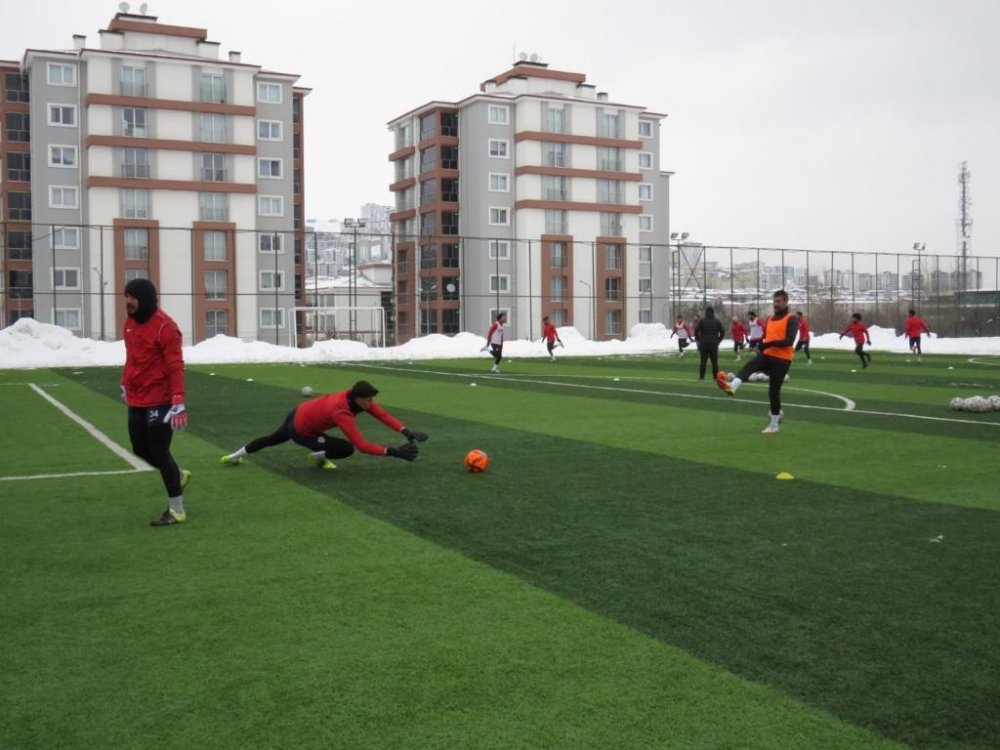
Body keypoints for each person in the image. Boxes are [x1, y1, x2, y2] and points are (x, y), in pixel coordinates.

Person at [221, 380, 426, 469]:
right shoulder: (342, 412)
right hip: (301, 431)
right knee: (346, 449)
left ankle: (233, 457)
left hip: (299, 412)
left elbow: (382, 415)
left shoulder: (354, 397)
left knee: (271, 439)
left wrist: (406, 431)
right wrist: (394, 452)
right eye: (368, 400)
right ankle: (319, 455)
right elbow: (362, 446)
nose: (371, 404)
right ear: (359, 399)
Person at [120, 278, 191, 527]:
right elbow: (132, 358)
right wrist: (124, 383)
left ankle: (177, 510)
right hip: (138, 397)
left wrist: (178, 399)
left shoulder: (166, 327)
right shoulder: (129, 324)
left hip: (161, 399)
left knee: (159, 451)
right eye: (126, 296)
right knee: (140, 449)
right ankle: (178, 474)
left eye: (132, 297)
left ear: (146, 298)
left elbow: (175, 365)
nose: (127, 302)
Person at [716, 290, 798, 434]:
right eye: (774, 301)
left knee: (773, 391)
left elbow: (789, 341)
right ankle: (733, 386)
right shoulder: (770, 319)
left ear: (786, 301)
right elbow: (768, 337)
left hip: (782, 360)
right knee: (749, 366)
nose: (775, 304)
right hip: (767, 355)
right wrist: (761, 345)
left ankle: (773, 425)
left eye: (778, 301)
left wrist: (766, 345)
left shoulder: (792, 318)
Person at [694, 306, 725, 380]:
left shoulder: (702, 321)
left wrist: (699, 340)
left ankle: (702, 378)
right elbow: (722, 332)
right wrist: (718, 340)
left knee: (703, 362)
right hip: (714, 344)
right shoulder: (717, 321)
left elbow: (696, 331)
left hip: (704, 343)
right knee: (714, 362)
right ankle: (715, 378)